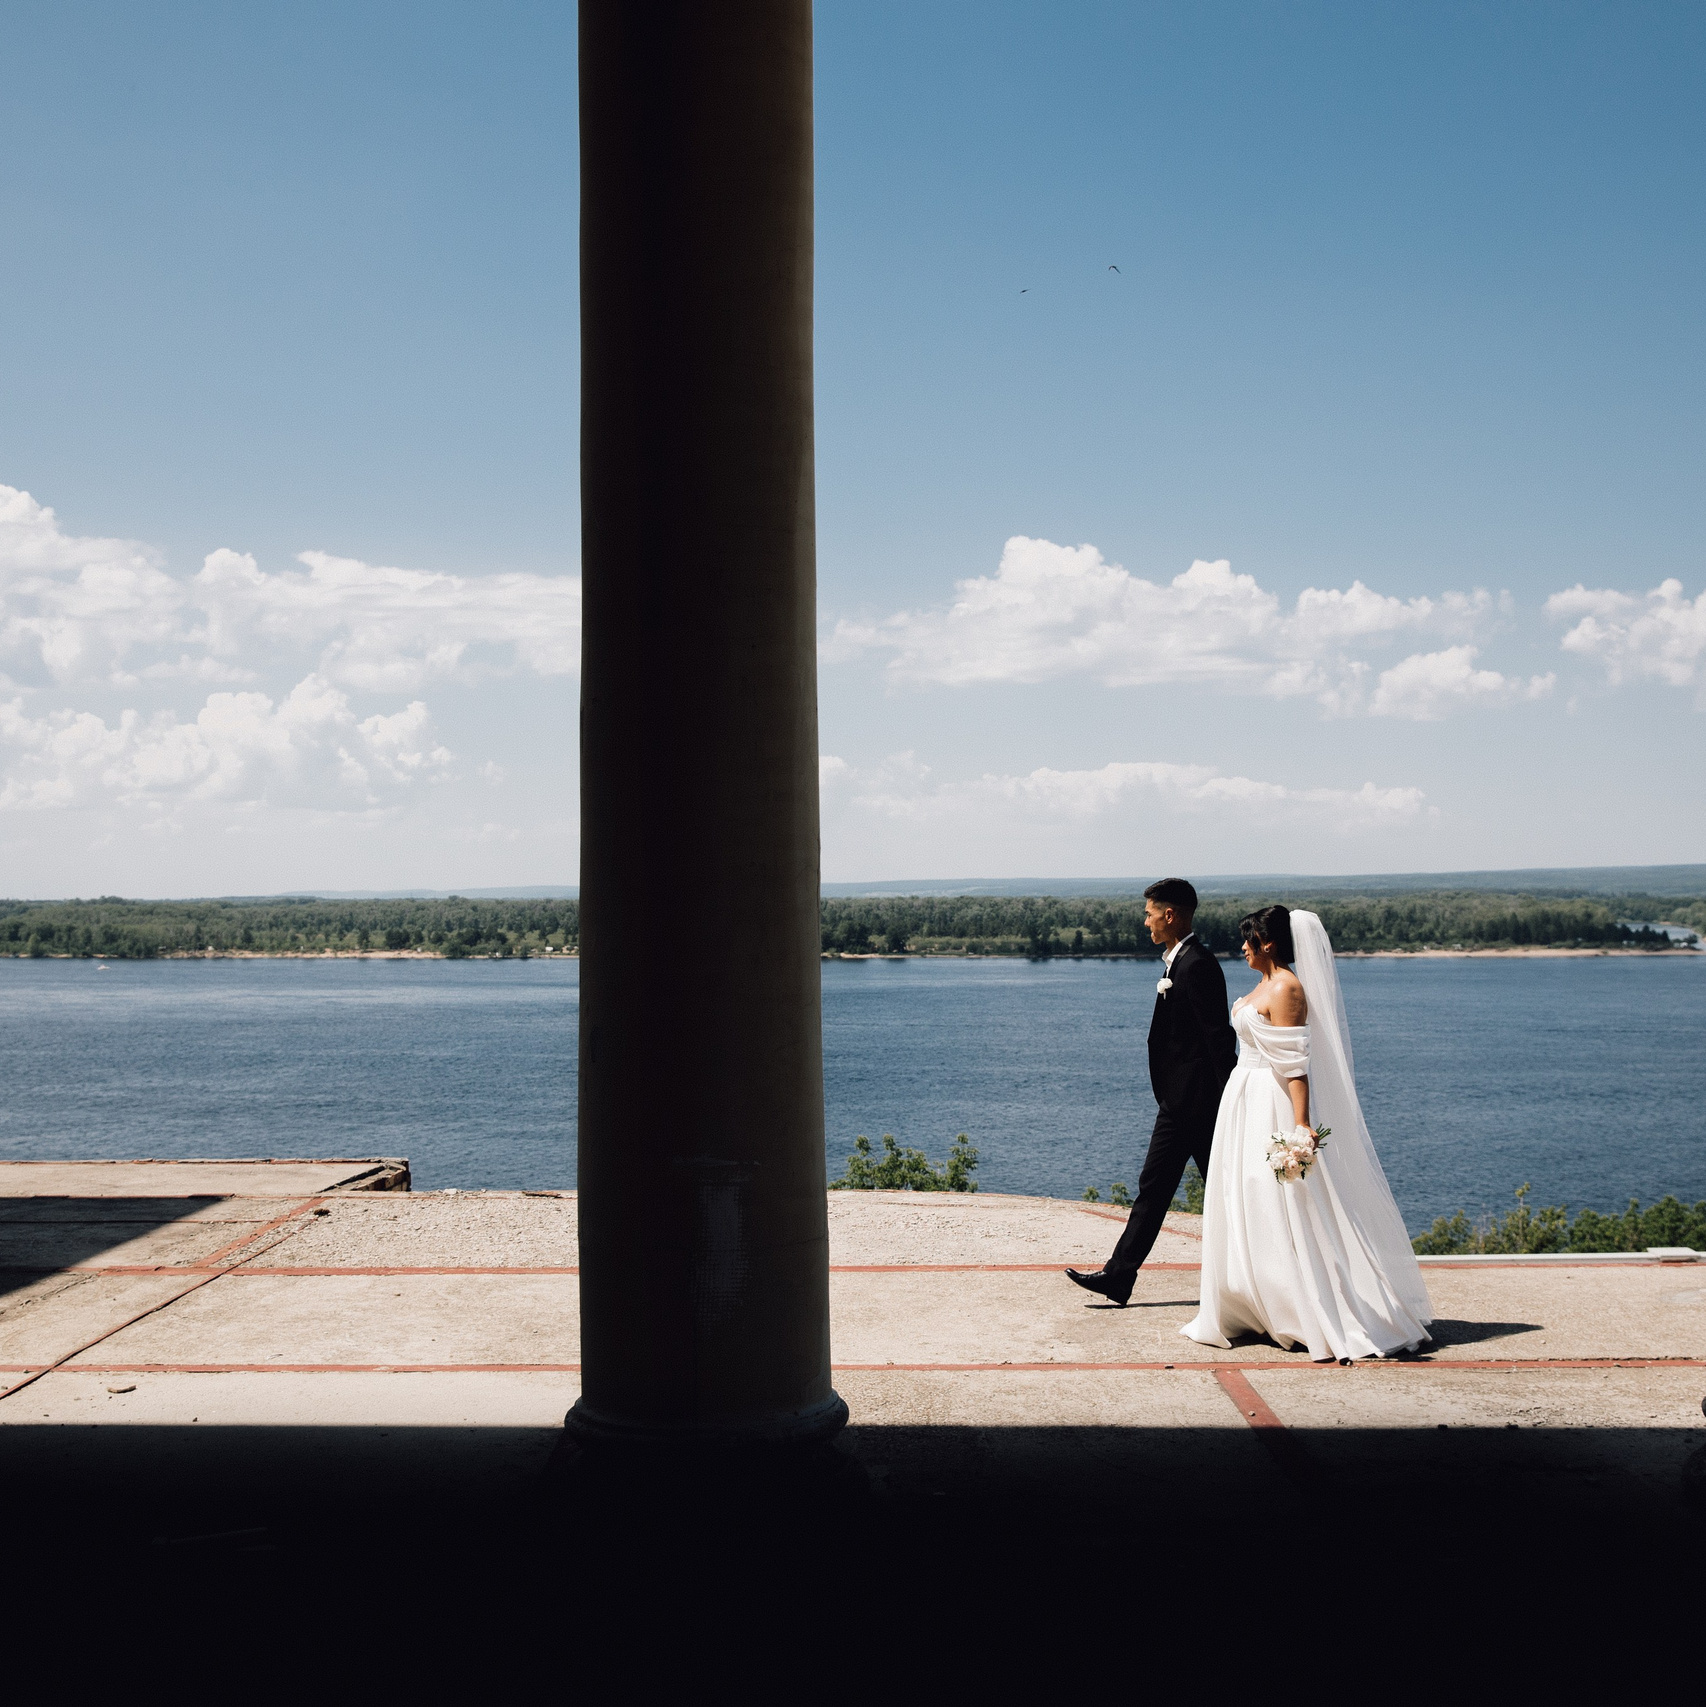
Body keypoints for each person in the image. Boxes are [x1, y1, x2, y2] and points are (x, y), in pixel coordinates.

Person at [1180, 904, 1432, 1360]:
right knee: (1244, 1196)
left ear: (1269, 943)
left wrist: (1300, 1126)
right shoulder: (1264, 984)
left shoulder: (1288, 988)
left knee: (1281, 1200)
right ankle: (1253, 1301)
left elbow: (1295, 1067)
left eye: (1248, 940)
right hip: (1244, 1098)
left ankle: (1298, 1306)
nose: (1242, 948)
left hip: (1271, 1100)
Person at [1065, 877, 1236, 1306]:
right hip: (1179, 1105)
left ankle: (1270, 1273)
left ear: (1170, 914)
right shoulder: (1178, 962)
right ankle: (1119, 1277)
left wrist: (1231, 1101)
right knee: (1155, 1189)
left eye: (1149, 913)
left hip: (1197, 1107)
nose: (1146, 922)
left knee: (1228, 1193)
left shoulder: (1198, 964)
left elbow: (1219, 1041)